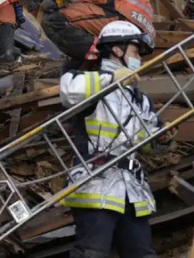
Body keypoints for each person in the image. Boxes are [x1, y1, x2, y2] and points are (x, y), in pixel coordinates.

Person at [59, 21, 174, 258]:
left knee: (142, 254)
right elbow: (69, 91)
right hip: (96, 182)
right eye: (134, 51)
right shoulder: (88, 81)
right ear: (117, 49)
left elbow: (147, 144)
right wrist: (111, 80)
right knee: (91, 253)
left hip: (131, 189)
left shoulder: (139, 99)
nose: (138, 59)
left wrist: (161, 138)